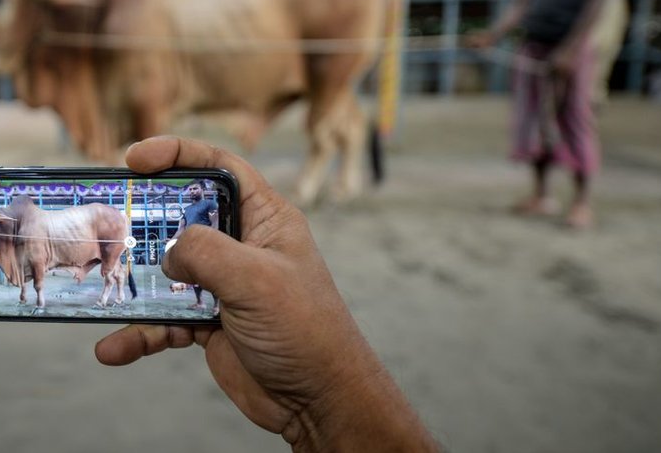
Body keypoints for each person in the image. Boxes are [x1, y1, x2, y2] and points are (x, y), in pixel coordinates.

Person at [96, 136, 438, 452]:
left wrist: (320, 401)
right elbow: (187, 226)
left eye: (199, 189)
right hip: (198, 257)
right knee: (190, 286)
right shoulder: (188, 210)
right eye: (196, 190)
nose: (196, 192)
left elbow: (212, 219)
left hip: (210, 254)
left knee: (196, 283)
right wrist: (316, 407)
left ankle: (196, 296)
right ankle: (196, 297)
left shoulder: (206, 208)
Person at [470, 0, 620, 229]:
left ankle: (582, 202)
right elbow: (524, 2)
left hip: (571, 47)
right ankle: (542, 195)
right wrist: (493, 35)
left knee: (575, 119)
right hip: (535, 45)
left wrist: (570, 49)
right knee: (534, 121)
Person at [170, 180, 219, 315]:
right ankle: (200, 302)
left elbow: (215, 223)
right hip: (191, 247)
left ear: (202, 189)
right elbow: (181, 229)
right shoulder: (187, 209)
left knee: (210, 277)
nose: (192, 191)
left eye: (195, 189)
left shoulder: (210, 204)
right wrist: (171, 240)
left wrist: (210, 241)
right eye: (190, 189)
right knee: (194, 277)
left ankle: (216, 306)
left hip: (205, 245)